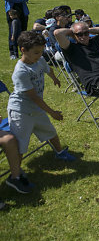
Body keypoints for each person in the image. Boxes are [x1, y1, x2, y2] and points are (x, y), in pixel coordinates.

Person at [6, 31, 76, 193]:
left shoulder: (38, 60)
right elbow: (34, 98)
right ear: (23, 50)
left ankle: (59, 152)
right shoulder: (21, 71)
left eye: (41, 52)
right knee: (20, 145)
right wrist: (52, 112)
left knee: (49, 131)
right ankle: (15, 177)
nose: (39, 55)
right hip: (21, 111)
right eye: (36, 52)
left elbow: (47, 68)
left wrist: (54, 78)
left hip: (36, 109)